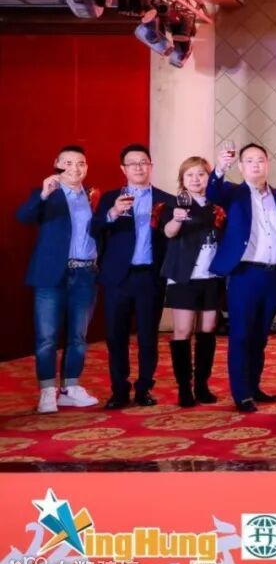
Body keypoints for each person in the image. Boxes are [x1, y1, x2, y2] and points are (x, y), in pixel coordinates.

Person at [17, 145, 100, 413]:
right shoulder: (47, 193)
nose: (75, 168)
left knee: (78, 336)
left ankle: (71, 388)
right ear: (57, 164)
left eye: (81, 163)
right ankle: (47, 391)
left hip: (85, 274)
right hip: (51, 274)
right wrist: (43, 194)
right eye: (68, 163)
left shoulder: (93, 196)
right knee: (47, 337)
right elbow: (23, 217)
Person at [208, 142, 276, 413]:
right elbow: (212, 191)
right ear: (241, 167)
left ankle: (254, 386)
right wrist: (220, 168)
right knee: (241, 335)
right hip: (244, 274)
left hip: (272, 274)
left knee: (260, 336)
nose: (256, 165)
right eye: (250, 161)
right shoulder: (233, 194)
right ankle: (241, 393)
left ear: (268, 164)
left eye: (261, 160)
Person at [91, 144, 171, 409]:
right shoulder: (110, 198)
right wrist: (113, 213)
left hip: (150, 276)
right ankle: (119, 390)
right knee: (116, 336)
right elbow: (94, 229)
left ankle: (144, 388)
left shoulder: (165, 200)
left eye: (143, 162)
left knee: (148, 336)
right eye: (132, 163)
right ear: (123, 169)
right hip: (118, 277)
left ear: (151, 166)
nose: (139, 167)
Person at [160, 157, 225, 407]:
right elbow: (168, 232)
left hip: (211, 276)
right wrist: (177, 219)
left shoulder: (217, 206)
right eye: (190, 175)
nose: (196, 179)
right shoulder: (173, 204)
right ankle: (184, 387)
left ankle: (202, 385)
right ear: (182, 179)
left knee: (208, 330)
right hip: (183, 276)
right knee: (182, 331)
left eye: (201, 174)